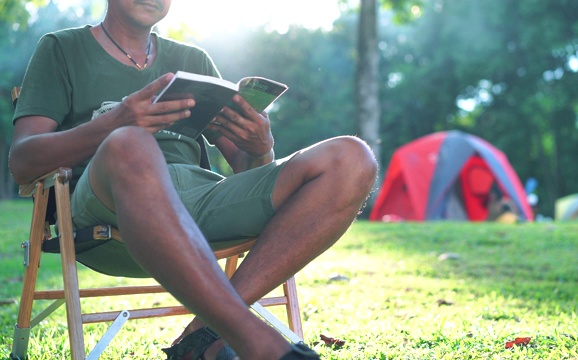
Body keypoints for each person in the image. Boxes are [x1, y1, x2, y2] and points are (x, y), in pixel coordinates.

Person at [9, 0, 378, 359]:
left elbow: (250, 174)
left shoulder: (192, 60)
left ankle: (202, 336)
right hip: (105, 204)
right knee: (129, 142)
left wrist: (262, 145)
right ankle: (255, 340)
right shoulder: (62, 48)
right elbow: (22, 163)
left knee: (352, 157)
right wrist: (114, 123)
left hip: (199, 199)